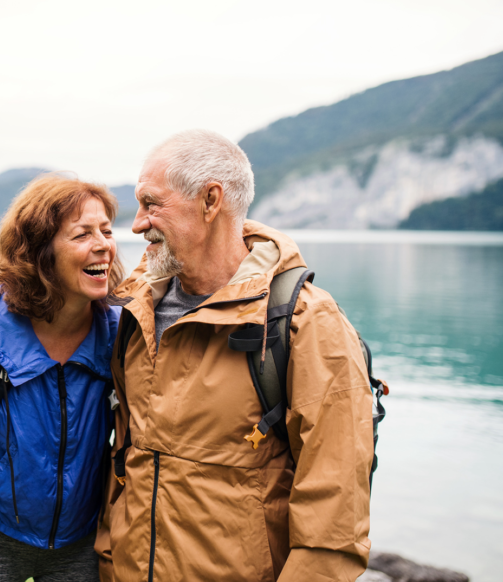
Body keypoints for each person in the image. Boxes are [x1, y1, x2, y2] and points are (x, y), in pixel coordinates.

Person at [95, 130, 374, 581]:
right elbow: (125, 463)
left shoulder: (306, 322)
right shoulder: (135, 311)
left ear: (210, 201)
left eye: (151, 204)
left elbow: (334, 527)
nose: (137, 223)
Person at [0, 174, 126, 582]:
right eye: (82, 234)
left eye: (106, 230)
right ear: (39, 251)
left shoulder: (121, 336)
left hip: (81, 543)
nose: (103, 244)